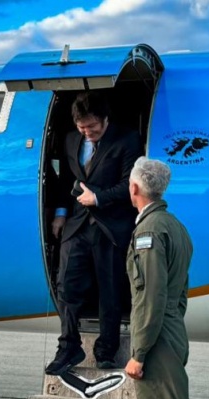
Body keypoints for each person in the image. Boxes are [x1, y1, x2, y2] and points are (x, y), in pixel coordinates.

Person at [46, 92, 144, 375]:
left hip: (110, 227)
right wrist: (60, 214)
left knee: (109, 292)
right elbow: (67, 179)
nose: (88, 133)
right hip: (76, 224)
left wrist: (97, 198)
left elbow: (130, 184)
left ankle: (106, 351)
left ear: (105, 119)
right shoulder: (70, 140)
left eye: (93, 127)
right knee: (66, 285)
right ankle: (69, 346)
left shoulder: (127, 140)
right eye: (82, 128)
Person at [124, 157, 194, 399]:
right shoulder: (175, 226)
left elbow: (151, 294)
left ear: (134, 188)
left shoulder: (149, 230)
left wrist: (139, 353)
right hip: (171, 330)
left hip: (156, 338)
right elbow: (181, 291)